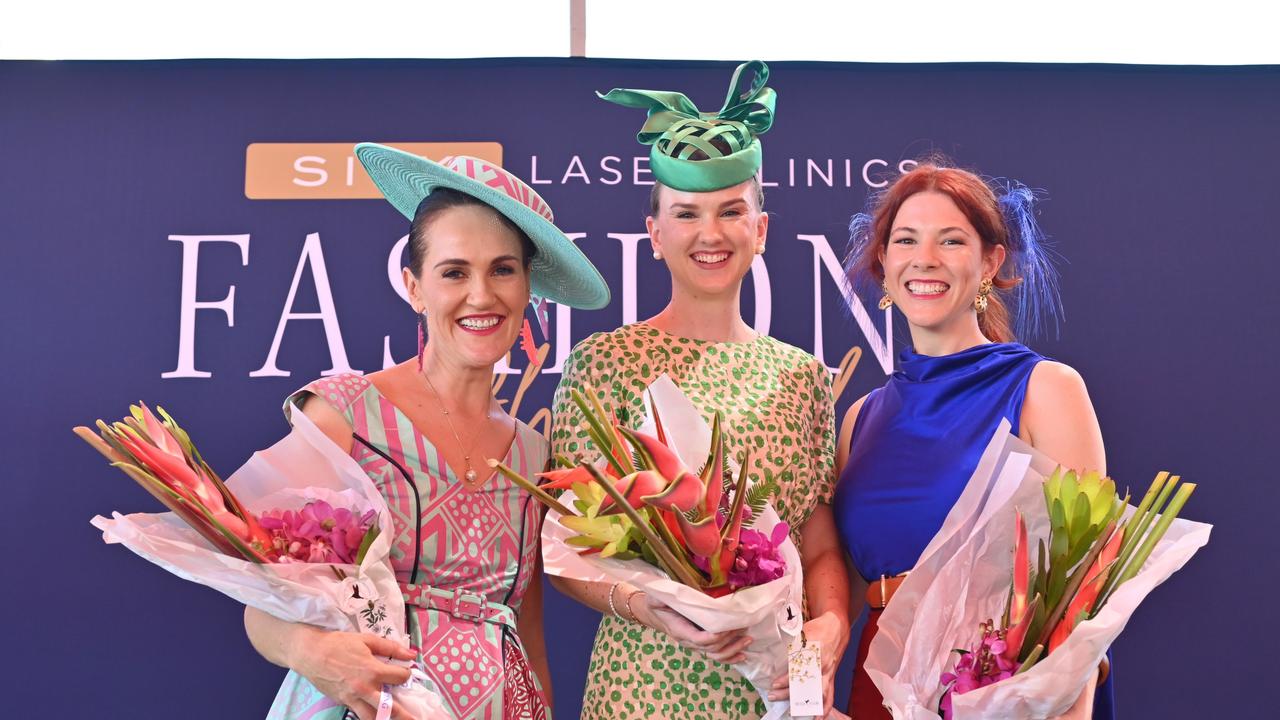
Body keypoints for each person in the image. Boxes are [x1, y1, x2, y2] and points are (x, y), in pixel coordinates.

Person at [242, 147, 610, 720]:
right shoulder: (343, 414)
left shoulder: (534, 453)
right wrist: (315, 653)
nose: (482, 295)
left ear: (527, 289)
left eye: (503, 270)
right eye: (455, 272)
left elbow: (526, 631)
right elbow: (260, 601)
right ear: (414, 287)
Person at [549, 61, 851, 719]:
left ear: (761, 230)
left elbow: (819, 541)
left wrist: (830, 630)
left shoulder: (801, 377)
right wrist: (645, 606)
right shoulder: (605, 363)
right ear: (655, 235)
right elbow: (563, 542)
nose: (710, 234)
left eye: (731, 211)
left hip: (772, 685)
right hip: (642, 685)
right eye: (687, 213)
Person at [833, 163, 1115, 719]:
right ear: (884, 264)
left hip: (1004, 689)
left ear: (990, 261)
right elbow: (834, 597)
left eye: (952, 240)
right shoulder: (860, 418)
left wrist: (1071, 707)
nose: (926, 259)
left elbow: (1091, 585)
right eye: (906, 240)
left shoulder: (1045, 389)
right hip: (881, 686)